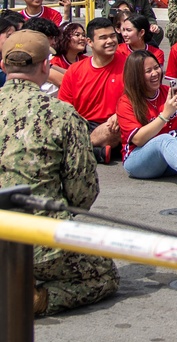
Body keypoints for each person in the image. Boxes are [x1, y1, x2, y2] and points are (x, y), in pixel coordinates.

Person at [0, 30, 120, 316]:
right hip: (38, 241)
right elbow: (82, 193)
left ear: (3, 66)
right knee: (104, 274)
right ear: (46, 66)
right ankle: (35, 299)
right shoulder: (62, 114)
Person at [116, 50, 177, 187]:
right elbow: (138, 139)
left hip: (171, 158)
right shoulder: (126, 102)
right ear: (136, 76)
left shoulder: (168, 91)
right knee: (164, 140)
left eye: (156, 67)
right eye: (148, 71)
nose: (155, 73)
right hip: (140, 161)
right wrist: (165, 115)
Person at [58, 17, 127, 161]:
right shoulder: (75, 70)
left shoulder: (129, 65)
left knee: (114, 128)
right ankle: (96, 152)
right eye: (103, 37)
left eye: (113, 36)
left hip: (114, 124)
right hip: (84, 124)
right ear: (90, 42)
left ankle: (78, 150)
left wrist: (119, 113)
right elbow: (64, 107)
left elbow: (140, 97)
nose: (110, 41)